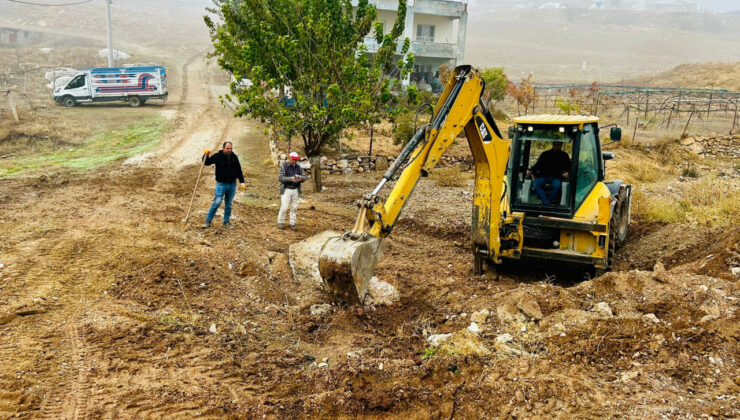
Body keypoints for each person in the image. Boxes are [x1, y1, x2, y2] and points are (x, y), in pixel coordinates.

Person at [201, 141, 245, 229]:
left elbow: (238, 169)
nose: (229, 150)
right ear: (223, 148)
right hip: (221, 185)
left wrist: (242, 181)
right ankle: (207, 221)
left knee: (228, 204)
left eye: (230, 148)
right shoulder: (218, 156)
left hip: (232, 185)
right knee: (217, 202)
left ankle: (226, 222)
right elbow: (207, 162)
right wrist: (205, 155)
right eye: (227, 148)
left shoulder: (234, 157)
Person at [277, 152, 308, 230]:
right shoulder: (283, 166)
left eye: (296, 160)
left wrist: (301, 178)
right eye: (293, 159)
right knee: (284, 207)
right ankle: (280, 222)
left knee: (294, 207)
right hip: (286, 188)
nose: (294, 161)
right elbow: (280, 178)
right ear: (289, 158)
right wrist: (291, 179)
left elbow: (304, 177)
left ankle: (292, 223)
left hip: (296, 189)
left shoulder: (299, 167)